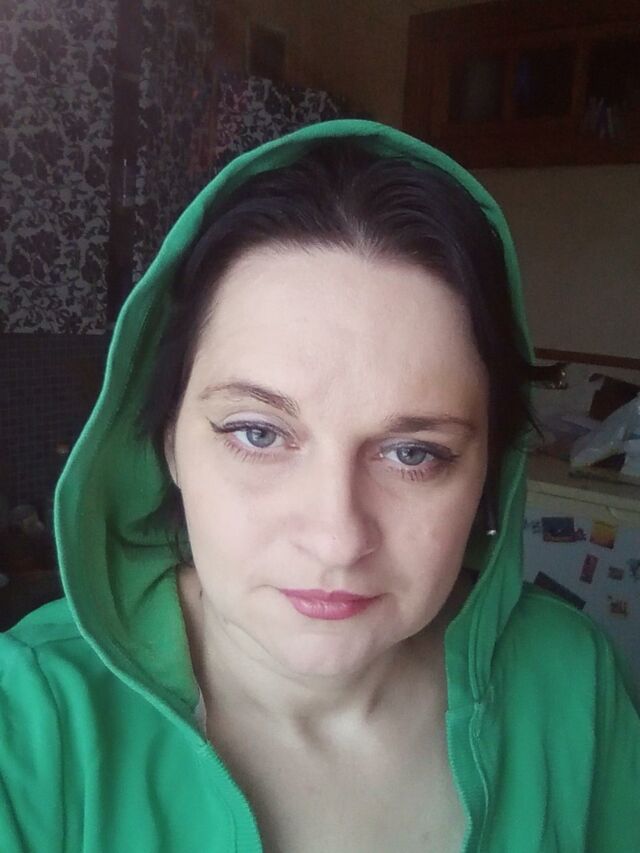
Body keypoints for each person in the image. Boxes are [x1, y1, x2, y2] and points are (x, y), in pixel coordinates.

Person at [1, 120, 638, 853]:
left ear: (489, 472)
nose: (336, 539)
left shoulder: (570, 684)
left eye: (413, 452)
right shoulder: (27, 729)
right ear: (167, 443)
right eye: (258, 433)